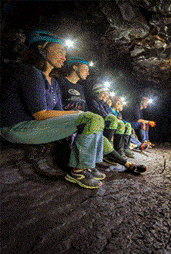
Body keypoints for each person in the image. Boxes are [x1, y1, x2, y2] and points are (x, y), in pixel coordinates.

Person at [0, 30, 105, 189]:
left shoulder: (54, 83)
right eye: (60, 51)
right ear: (42, 48)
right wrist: (78, 114)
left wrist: (78, 118)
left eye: (65, 53)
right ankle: (78, 171)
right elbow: (40, 114)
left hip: (35, 127)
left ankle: (88, 164)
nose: (64, 57)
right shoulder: (30, 72)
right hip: (16, 128)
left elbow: (59, 112)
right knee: (89, 117)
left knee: (94, 119)